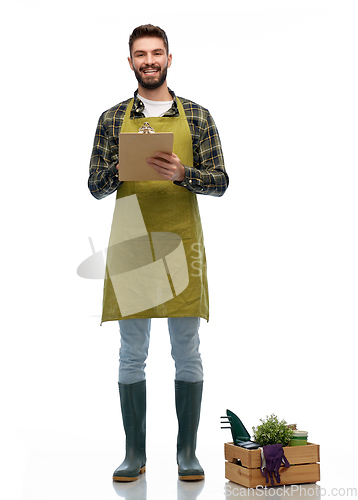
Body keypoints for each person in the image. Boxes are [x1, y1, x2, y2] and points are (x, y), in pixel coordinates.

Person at [88, 24, 229, 482]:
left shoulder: (199, 116)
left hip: (181, 242)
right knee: (132, 354)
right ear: (130, 61)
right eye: (140, 54)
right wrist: (122, 165)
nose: (149, 60)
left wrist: (184, 172)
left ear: (170, 58)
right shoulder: (111, 119)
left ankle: (187, 453)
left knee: (186, 352)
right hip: (132, 243)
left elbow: (221, 181)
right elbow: (94, 186)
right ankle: (135, 454)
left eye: (157, 53)